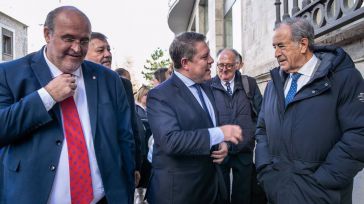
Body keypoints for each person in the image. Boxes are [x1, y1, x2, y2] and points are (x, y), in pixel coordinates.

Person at [0, 6, 135, 204]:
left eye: (84, 40)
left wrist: (127, 187)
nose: (77, 48)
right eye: (69, 39)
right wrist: (46, 96)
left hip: (102, 199)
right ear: (47, 34)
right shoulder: (10, 74)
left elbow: (125, 137)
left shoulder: (109, 79)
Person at [255, 17, 364, 204]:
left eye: (281, 46)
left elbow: (359, 132)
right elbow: (262, 128)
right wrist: (266, 169)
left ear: (303, 44)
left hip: (322, 194)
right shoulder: (274, 84)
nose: (276, 53)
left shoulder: (343, 78)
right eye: (274, 47)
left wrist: (325, 180)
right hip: (278, 190)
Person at [146, 31, 243, 204]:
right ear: (185, 63)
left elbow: (209, 125)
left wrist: (222, 144)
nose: (212, 61)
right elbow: (171, 141)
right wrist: (220, 134)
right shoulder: (160, 96)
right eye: (205, 57)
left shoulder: (207, 87)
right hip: (181, 194)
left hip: (213, 189)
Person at [85, 32, 142, 199]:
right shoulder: (72, 83)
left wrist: (135, 165)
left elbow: (131, 126)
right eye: (100, 50)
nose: (107, 54)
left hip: (116, 172)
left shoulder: (122, 84)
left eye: (109, 49)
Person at [209, 48, 263, 204]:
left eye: (229, 65)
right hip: (219, 151)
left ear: (238, 65)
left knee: (243, 196)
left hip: (244, 150)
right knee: (221, 195)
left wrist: (252, 136)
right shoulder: (209, 86)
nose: (224, 69)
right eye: (220, 65)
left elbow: (261, 114)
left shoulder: (249, 84)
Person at [134, 85, 152, 204]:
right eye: (146, 94)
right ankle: (138, 199)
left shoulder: (149, 109)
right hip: (141, 148)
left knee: (146, 177)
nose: (147, 97)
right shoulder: (135, 109)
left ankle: (142, 199)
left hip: (149, 148)